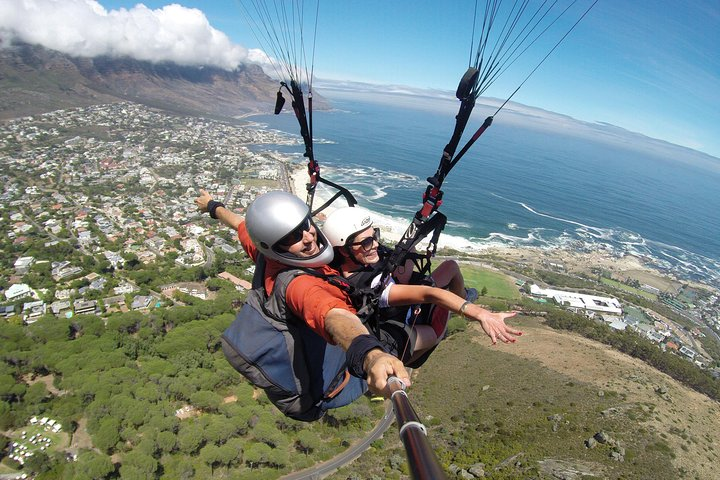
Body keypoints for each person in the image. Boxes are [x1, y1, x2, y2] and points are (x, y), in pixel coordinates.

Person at [195, 189, 411, 397]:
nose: (308, 237)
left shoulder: (266, 254)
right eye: (293, 237)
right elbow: (333, 315)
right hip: (332, 384)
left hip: (311, 359)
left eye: (306, 225)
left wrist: (213, 207)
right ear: (275, 246)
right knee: (416, 330)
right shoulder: (300, 286)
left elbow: (239, 224)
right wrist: (371, 356)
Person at [322, 206, 522, 364]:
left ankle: (461, 296)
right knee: (435, 330)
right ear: (344, 250)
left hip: (396, 302)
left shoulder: (349, 261)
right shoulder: (369, 285)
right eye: (366, 242)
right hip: (396, 327)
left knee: (449, 266)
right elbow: (429, 294)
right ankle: (454, 312)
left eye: (375, 235)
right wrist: (482, 314)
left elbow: (397, 254)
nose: (375, 244)